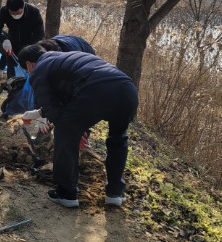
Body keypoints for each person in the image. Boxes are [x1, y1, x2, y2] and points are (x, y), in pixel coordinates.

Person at [18, 45, 138, 208]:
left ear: (29, 64)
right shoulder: (65, 59)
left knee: (65, 133)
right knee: (118, 138)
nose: (28, 73)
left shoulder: (39, 69)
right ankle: (115, 193)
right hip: (127, 89)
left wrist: (71, 129)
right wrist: (39, 114)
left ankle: (66, 193)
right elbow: (69, 100)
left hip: (97, 89)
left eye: (26, 69)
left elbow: (54, 107)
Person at [0, 0, 45, 78]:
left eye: (18, 13)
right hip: (12, 45)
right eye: (12, 14)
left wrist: (30, 47)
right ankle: (11, 89)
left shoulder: (34, 12)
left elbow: (40, 34)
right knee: (12, 72)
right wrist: (4, 40)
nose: (16, 16)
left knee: (29, 74)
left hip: (29, 45)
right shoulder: (4, 11)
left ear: (23, 6)